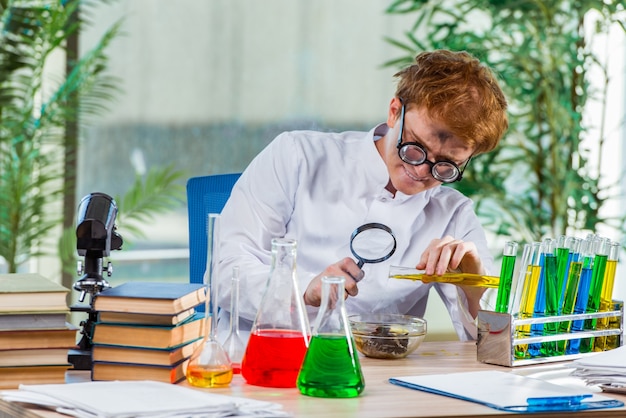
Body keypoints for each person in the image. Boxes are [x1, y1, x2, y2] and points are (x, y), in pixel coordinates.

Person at [216, 49, 508, 342]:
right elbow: (225, 274)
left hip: (376, 375)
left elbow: (493, 342)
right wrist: (306, 289)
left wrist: (475, 284)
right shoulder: (296, 156)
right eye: (415, 147)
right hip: (262, 357)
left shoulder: (452, 214)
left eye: (445, 165)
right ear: (394, 111)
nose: (421, 171)